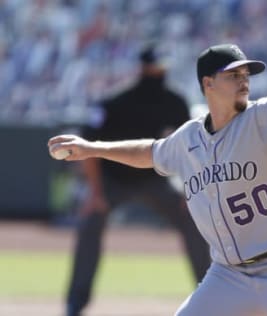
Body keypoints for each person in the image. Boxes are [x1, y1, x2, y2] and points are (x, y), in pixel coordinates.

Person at [49, 43, 267, 316]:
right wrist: (93, 149)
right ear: (208, 83)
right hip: (228, 276)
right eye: (233, 75)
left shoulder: (266, 117)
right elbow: (150, 152)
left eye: (246, 76)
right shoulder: (189, 138)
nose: (244, 82)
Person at [63, 44, 210, 316]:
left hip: (153, 179)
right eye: (156, 66)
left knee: (194, 219)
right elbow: (88, 149)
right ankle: (75, 304)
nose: (160, 71)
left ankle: (210, 297)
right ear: (143, 68)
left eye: (164, 66)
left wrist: (191, 193)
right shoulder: (114, 102)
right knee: (90, 223)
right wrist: (95, 194)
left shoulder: (174, 101)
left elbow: (191, 146)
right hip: (112, 179)